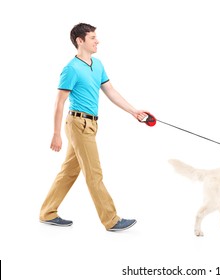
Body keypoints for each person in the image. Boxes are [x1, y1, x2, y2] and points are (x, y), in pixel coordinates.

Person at [39, 23, 148, 231]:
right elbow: (59, 103)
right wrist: (56, 134)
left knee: (69, 172)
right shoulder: (71, 69)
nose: (97, 41)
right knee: (94, 173)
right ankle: (111, 220)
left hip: (91, 125)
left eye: (96, 37)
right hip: (78, 124)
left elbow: (110, 91)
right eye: (92, 37)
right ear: (80, 41)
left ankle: (47, 212)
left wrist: (134, 111)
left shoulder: (97, 64)